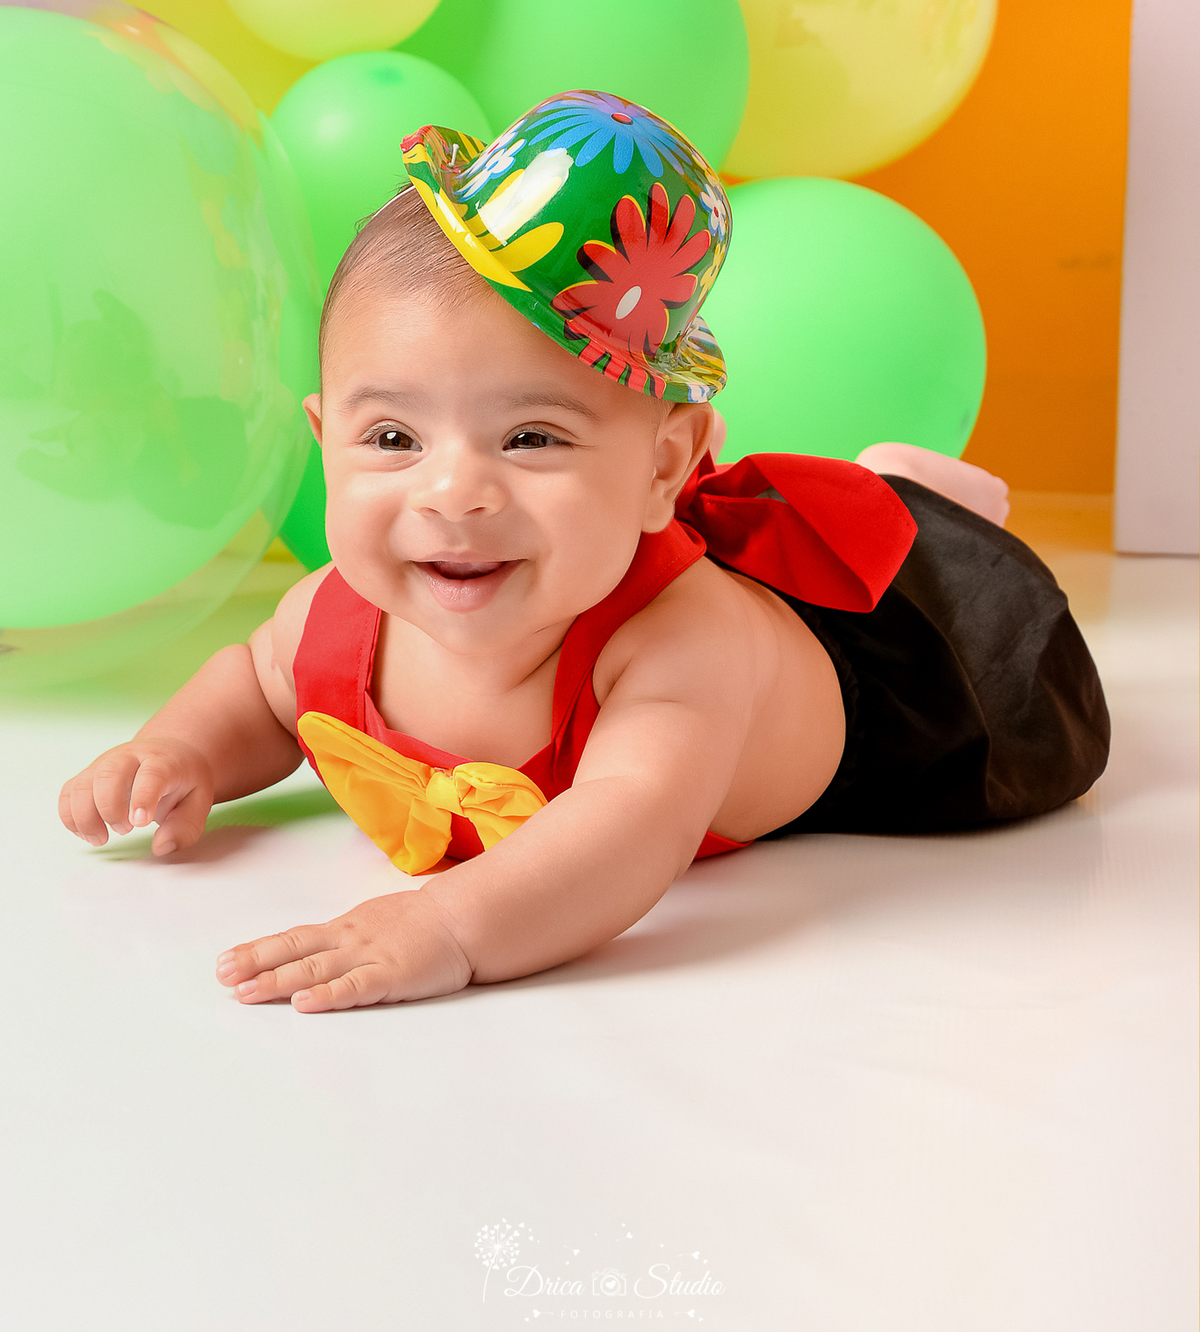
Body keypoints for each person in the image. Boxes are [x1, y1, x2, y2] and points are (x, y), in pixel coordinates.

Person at [58, 91, 1110, 1014]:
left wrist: (449, 928)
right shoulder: (339, 614)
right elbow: (259, 682)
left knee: (981, 632)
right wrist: (182, 748)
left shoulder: (676, 650)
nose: (453, 491)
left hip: (898, 681)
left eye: (532, 437)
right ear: (325, 436)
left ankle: (910, 498)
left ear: (665, 468)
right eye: (392, 438)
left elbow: (627, 828)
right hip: (667, 570)